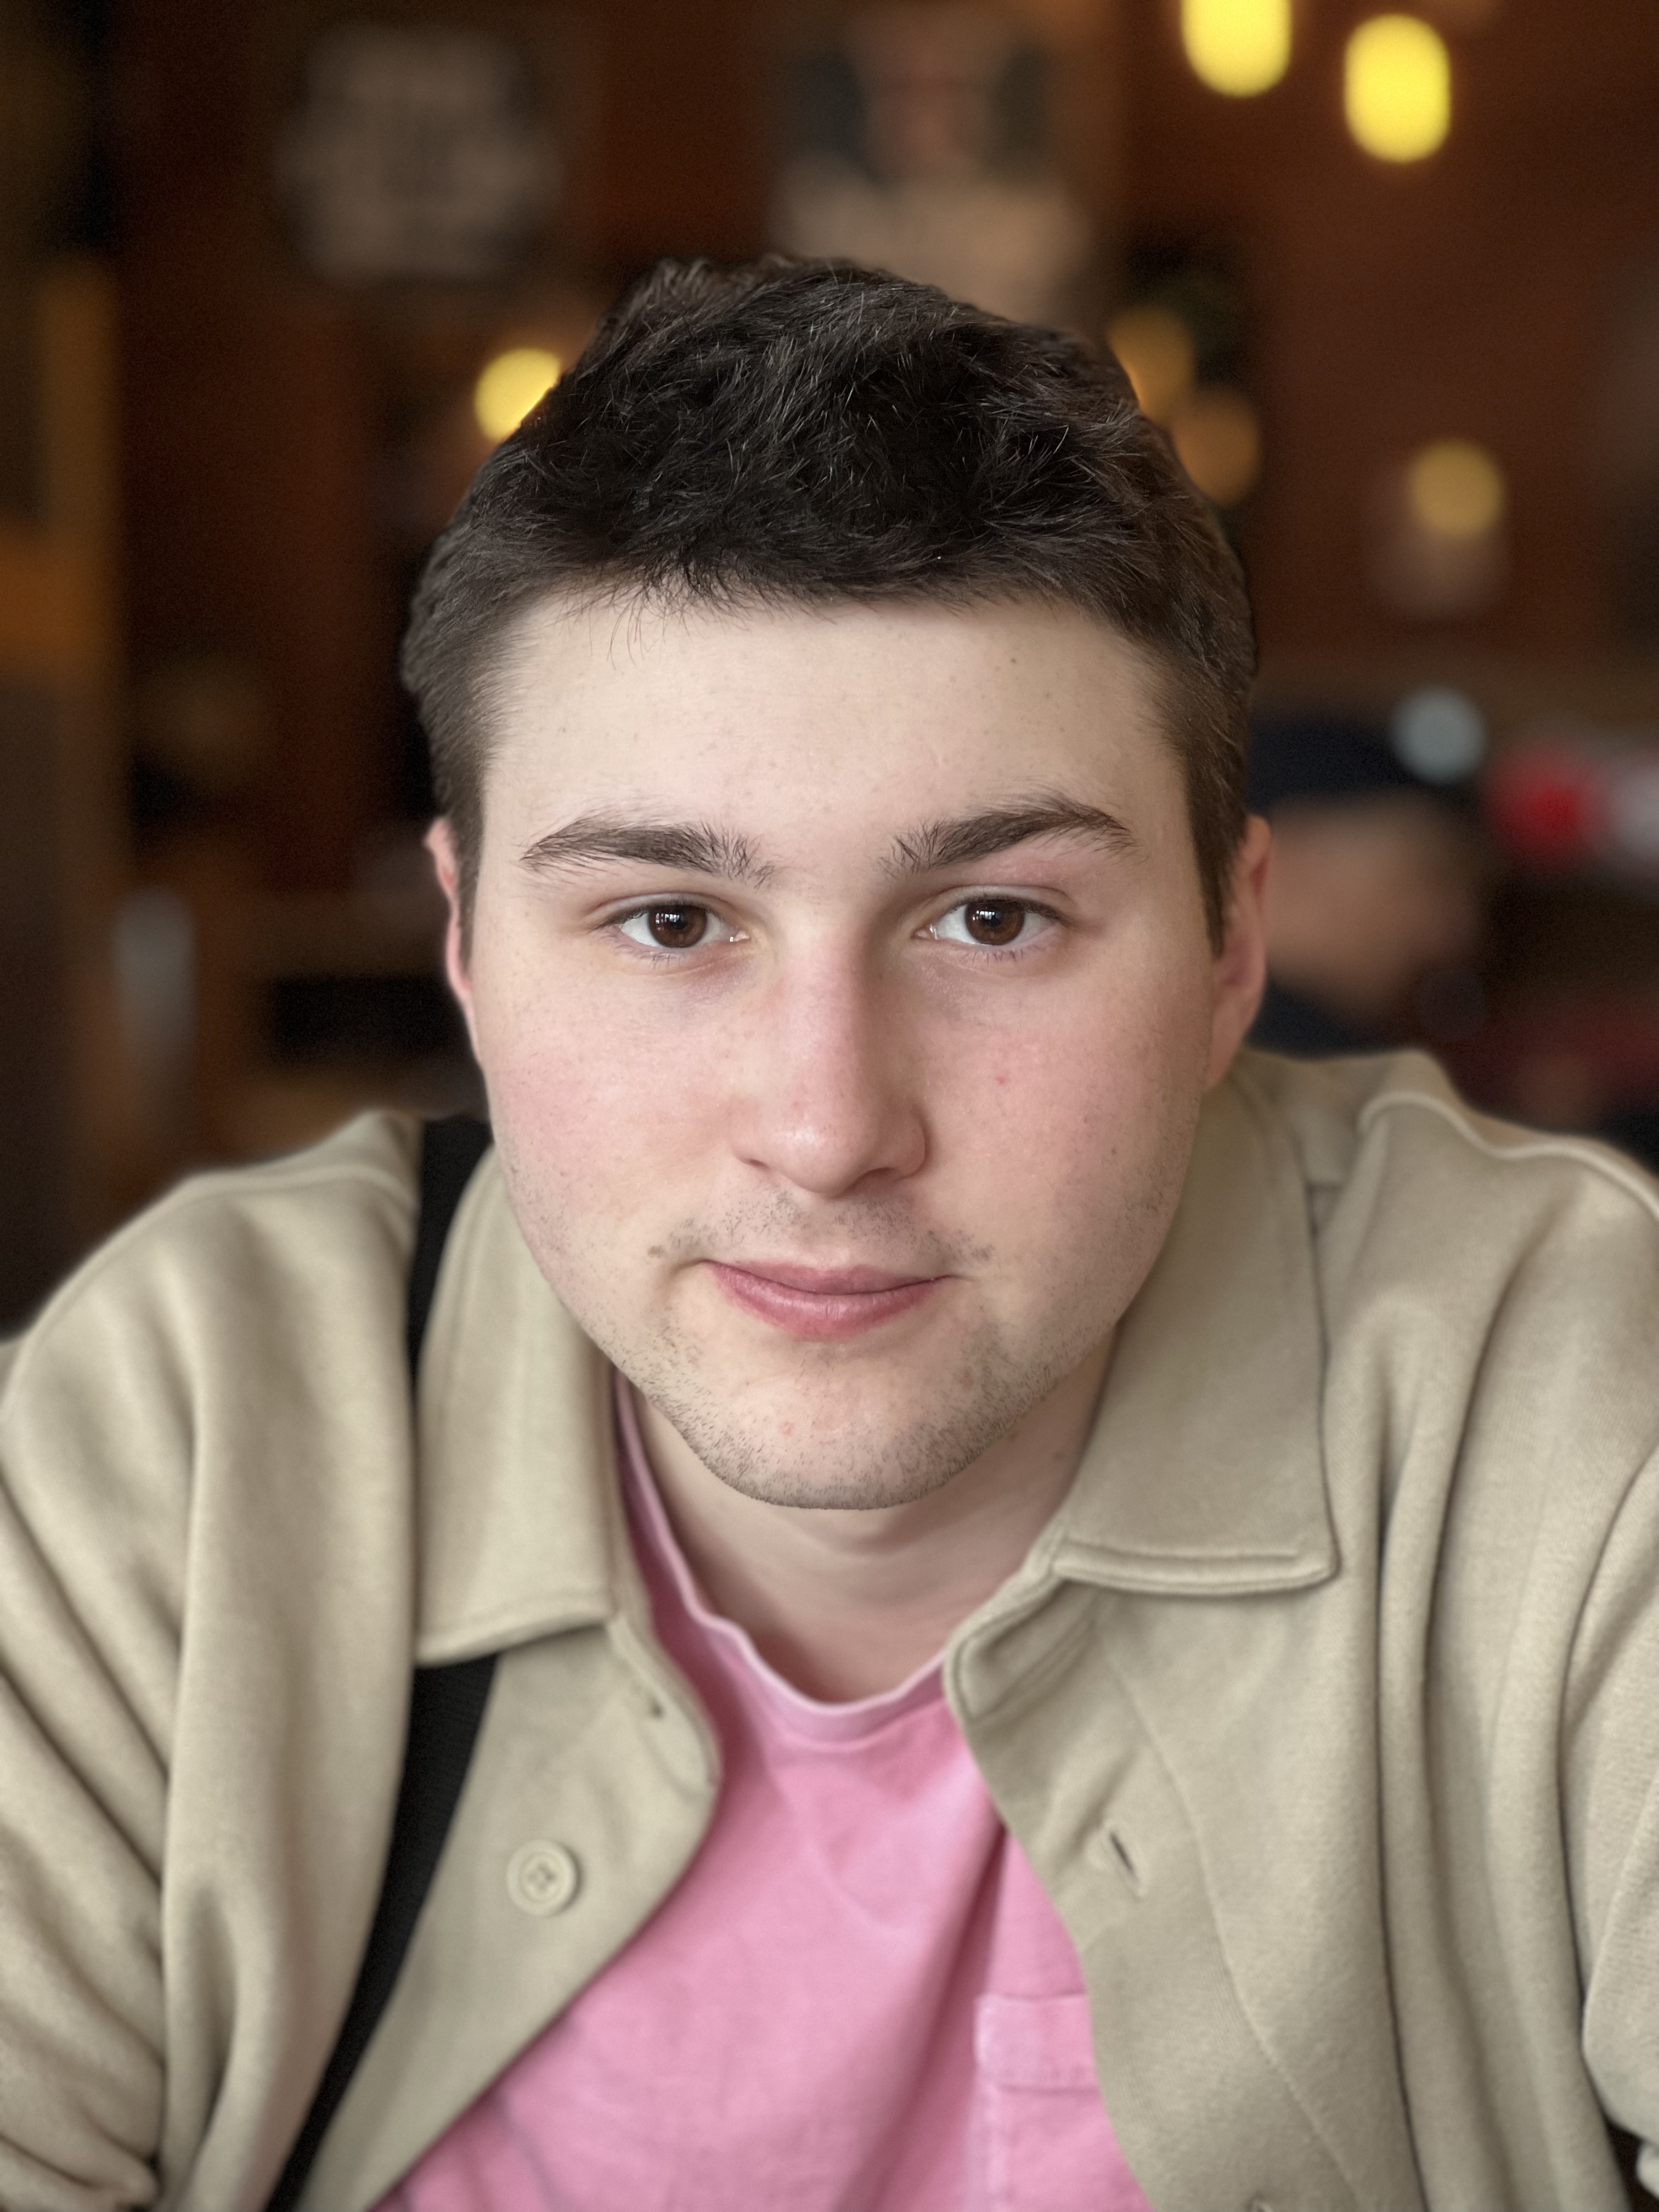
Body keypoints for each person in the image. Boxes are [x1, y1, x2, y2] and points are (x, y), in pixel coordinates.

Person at [3, 258, 1658, 2212]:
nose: (827, 1127)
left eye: (994, 919)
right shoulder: (182, 1431)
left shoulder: (1557, 1379)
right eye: (671, 922)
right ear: (464, 945)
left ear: (1232, 946)